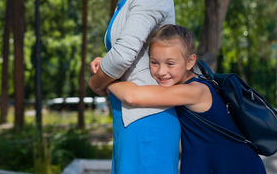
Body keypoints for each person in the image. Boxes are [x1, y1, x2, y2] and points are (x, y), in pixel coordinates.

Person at [89, 0, 180, 173]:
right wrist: (104, 61)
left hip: (147, 121)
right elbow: (122, 53)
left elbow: (123, 56)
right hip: (129, 117)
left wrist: (96, 84)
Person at [108, 24, 267, 174]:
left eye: (170, 63)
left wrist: (105, 78)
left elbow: (132, 96)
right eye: (154, 62)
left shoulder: (194, 91)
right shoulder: (187, 84)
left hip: (235, 165)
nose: (162, 71)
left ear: (190, 61)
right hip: (213, 162)